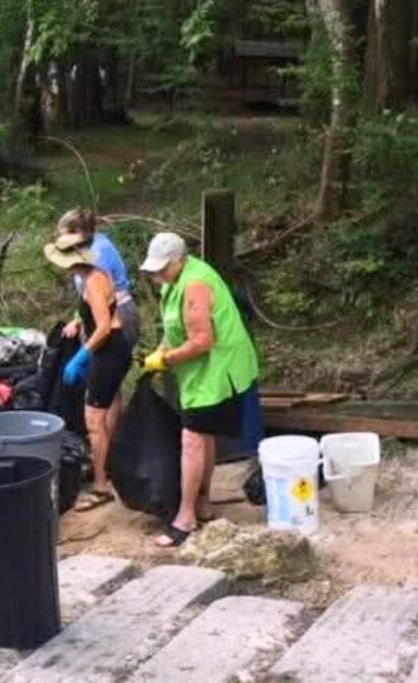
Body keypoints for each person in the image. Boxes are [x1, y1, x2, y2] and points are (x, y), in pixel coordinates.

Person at [138, 232, 260, 548]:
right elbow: (173, 328)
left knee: (192, 439)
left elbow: (202, 342)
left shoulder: (195, 284)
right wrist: (161, 351)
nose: (158, 275)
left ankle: (186, 517)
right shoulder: (173, 282)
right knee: (202, 436)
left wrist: (165, 359)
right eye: (155, 270)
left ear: (180, 260)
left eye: (163, 268)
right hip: (199, 373)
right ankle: (203, 505)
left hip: (219, 369)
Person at [44, 232, 132, 511]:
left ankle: (101, 486)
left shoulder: (94, 281)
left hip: (109, 350)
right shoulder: (92, 275)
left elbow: (104, 326)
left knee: (94, 421)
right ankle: (104, 470)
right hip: (107, 350)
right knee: (98, 417)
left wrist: (82, 356)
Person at [55, 208, 140, 349]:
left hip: (115, 313)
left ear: (77, 231)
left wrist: (78, 321)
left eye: (64, 236)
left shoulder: (97, 253)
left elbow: (99, 295)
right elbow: (86, 295)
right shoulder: (86, 248)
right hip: (98, 312)